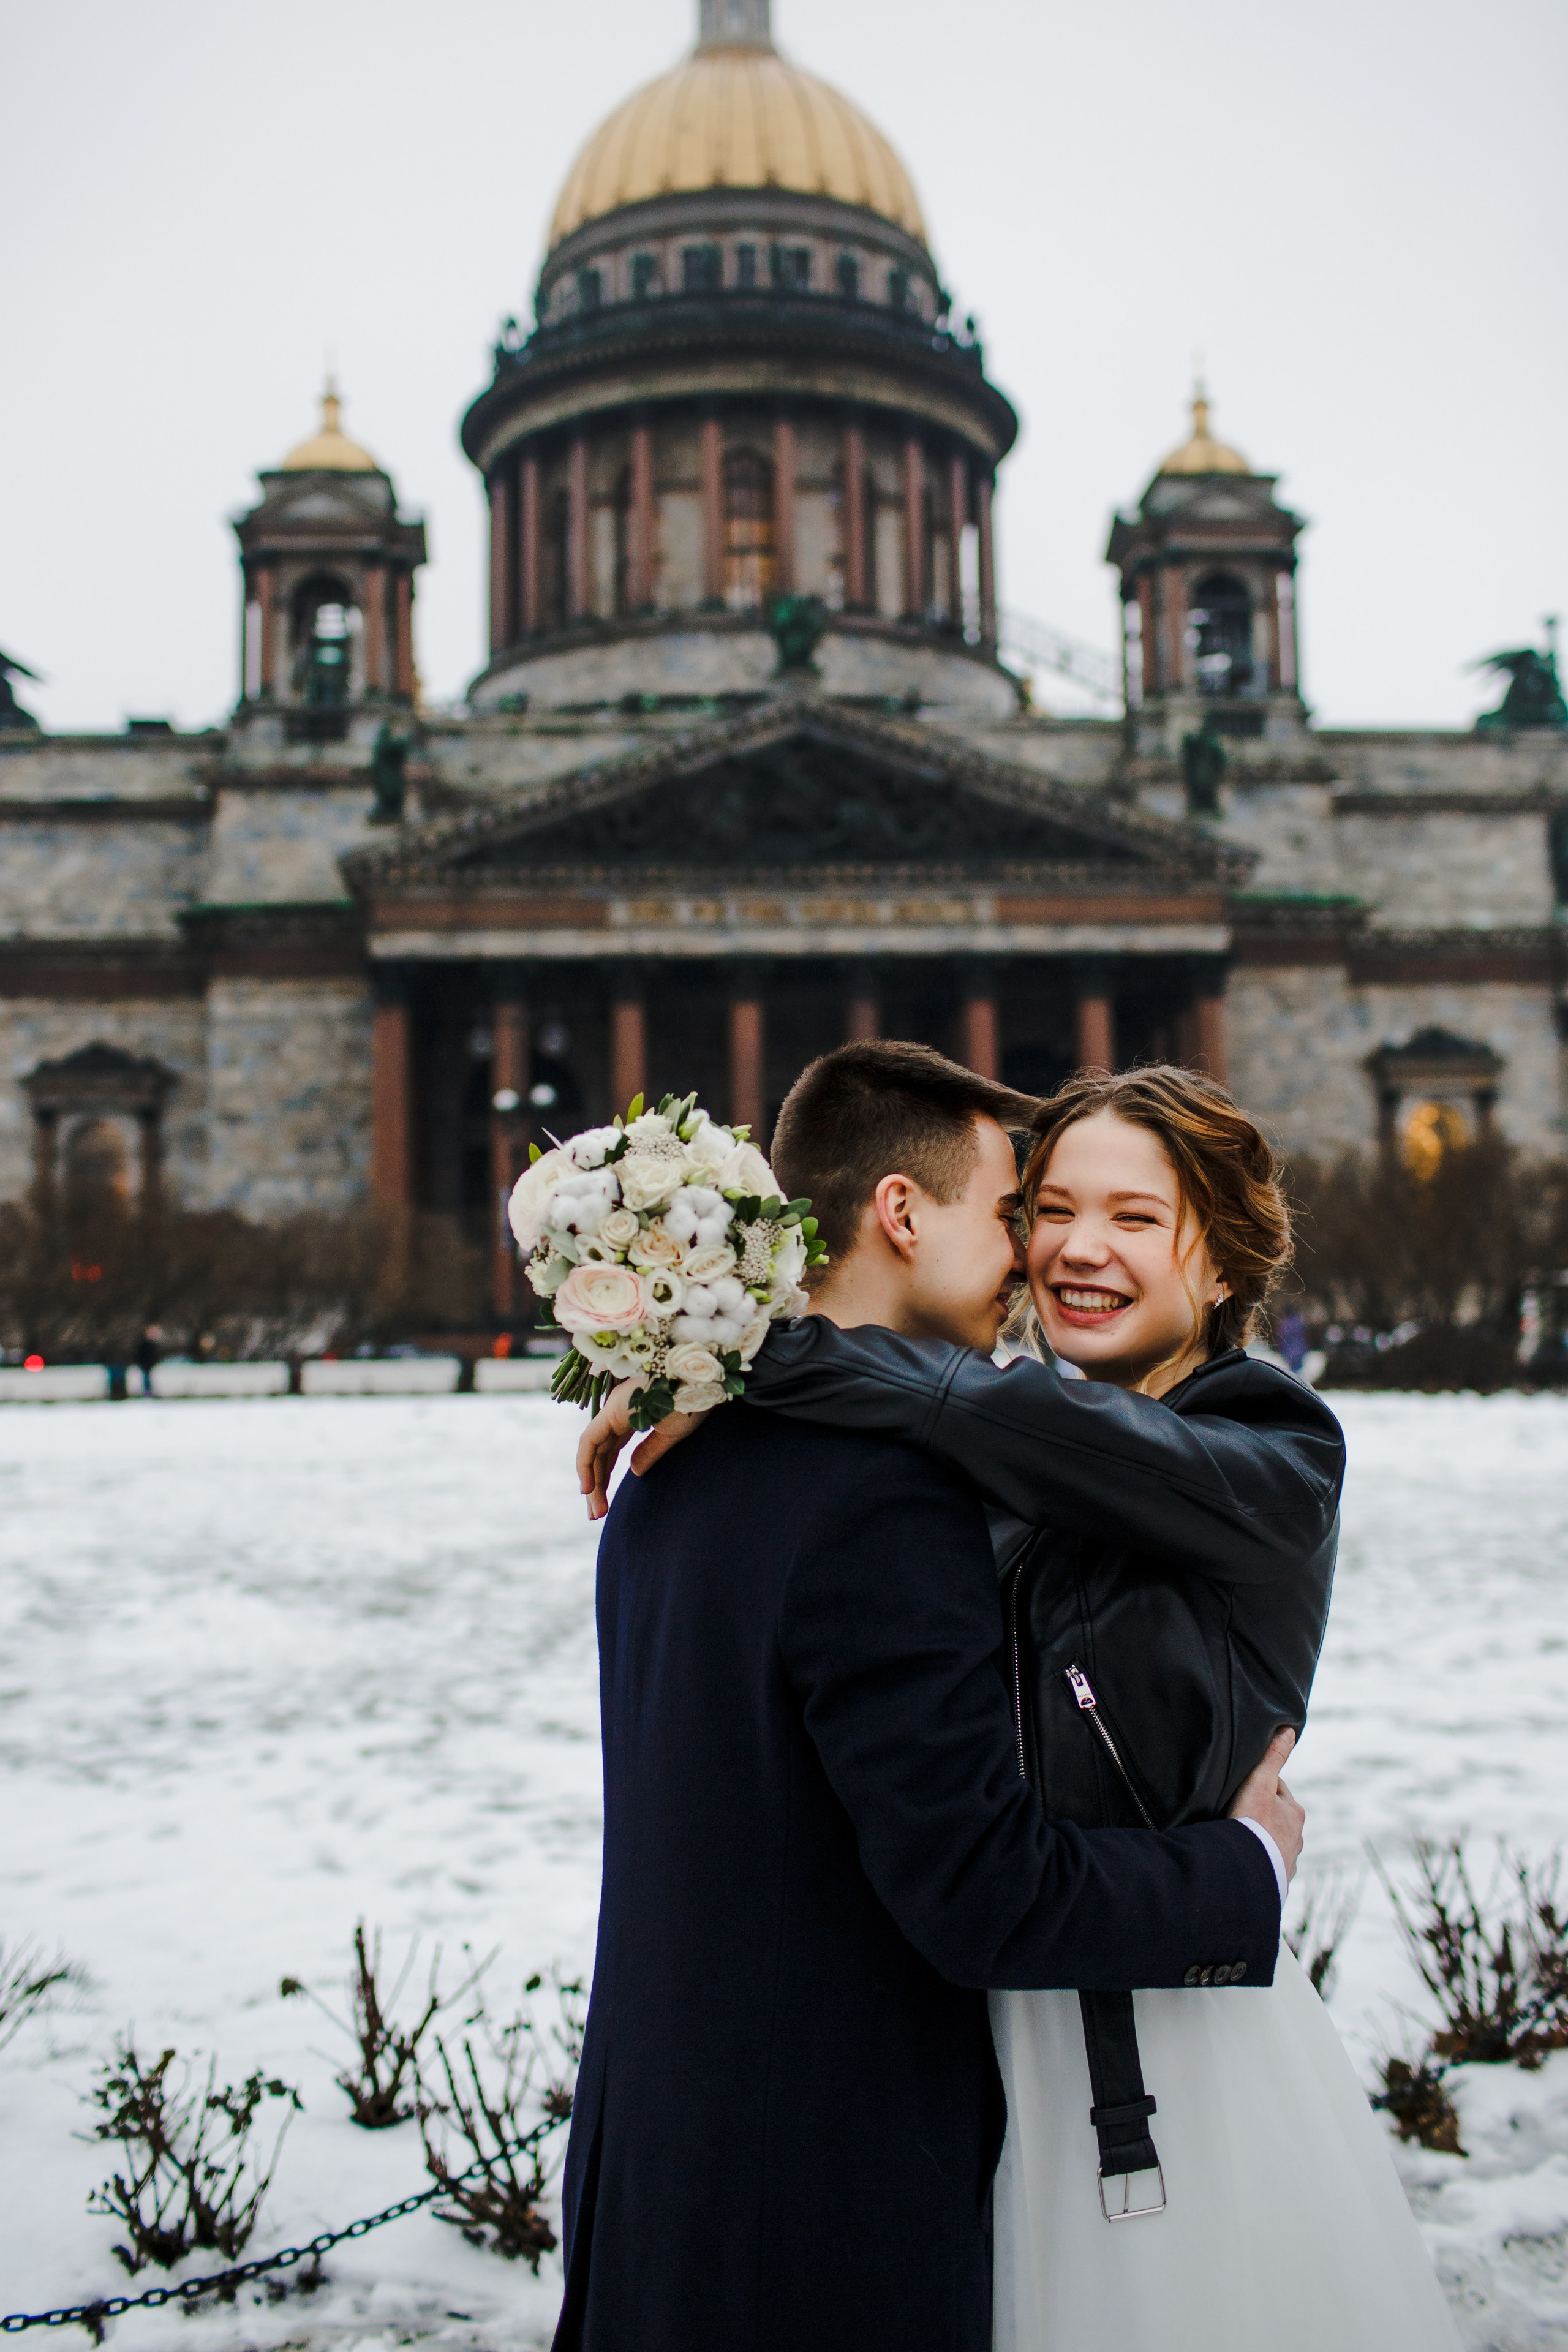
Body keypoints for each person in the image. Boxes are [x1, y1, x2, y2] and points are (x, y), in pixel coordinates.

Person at [583, 1050, 1459, 2351]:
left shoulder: (1270, 1451)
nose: (1063, 1250)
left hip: (1157, 2059)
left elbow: (1044, 1435)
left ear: (1218, 1264)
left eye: (1131, 1216)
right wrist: (708, 1367)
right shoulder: (935, 1464)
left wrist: (745, 1354)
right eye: (1041, 1210)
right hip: (981, 2060)